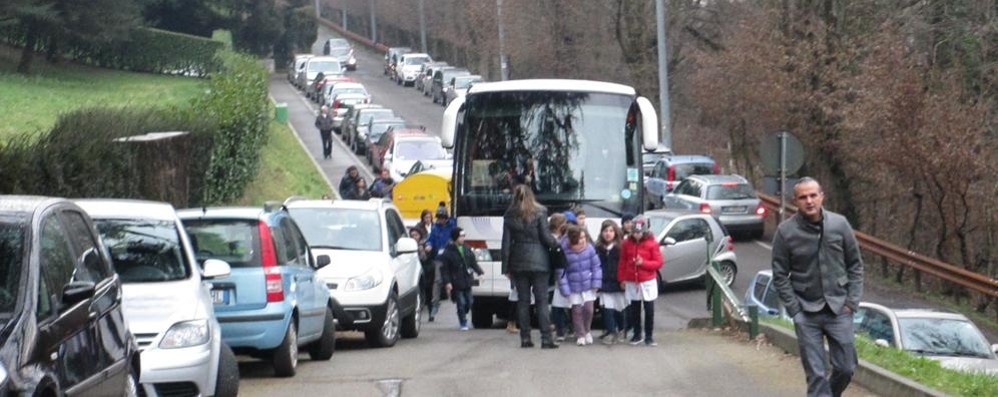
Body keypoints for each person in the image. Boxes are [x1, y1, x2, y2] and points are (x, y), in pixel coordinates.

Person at [771, 177, 863, 397]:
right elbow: (780, 275)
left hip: (839, 309)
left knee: (846, 367)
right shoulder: (785, 232)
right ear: (795, 201)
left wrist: (852, 302)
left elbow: (855, 265)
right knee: (816, 374)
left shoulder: (839, 224)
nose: (809, 201)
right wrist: (795, 310)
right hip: (806, 311)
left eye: (813, 195)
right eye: (803, 197)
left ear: (822, 196)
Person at [501, 185, 560, 349]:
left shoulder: (509, 214)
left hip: (518, 262)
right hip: (540, 261)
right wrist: (557, 244)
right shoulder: (540, 211)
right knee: (541, 301)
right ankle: (546, 338)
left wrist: (505, 268)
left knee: (523, 301)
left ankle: (525, 338)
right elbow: (546, 237)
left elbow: (505, 244)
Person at [618, 216, 663, 347]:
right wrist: (621, 278)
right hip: (632, 280)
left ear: (644, 232)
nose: (636, 235)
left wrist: (643, 263)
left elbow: (658, 263)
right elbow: (623, 261)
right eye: (634, 232)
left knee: (649, 309)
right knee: (634, 309)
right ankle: (637, 334)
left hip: (647, 280)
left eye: (639, 232)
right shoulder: (626, 243)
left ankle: (649, 336)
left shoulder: (653, 243)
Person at [557, 225, 602, 346]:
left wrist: (596, 282)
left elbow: (596, 267)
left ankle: (587, 330)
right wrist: (565, 289)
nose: (583, 240)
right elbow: (561, 272)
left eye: (584, 237)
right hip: (573, 287)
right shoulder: (564, 251)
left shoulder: (590, 249)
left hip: (588, 285)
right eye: (580, 238)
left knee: (589, 310)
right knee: (576, 311)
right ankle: (580, 334)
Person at [440, 228, 485, 331]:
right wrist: (447, 282)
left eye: (463, 236)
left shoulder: (467, 248)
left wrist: (480, 273)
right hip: (456, 281)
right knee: (461, 302)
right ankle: (463, 321)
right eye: (461, 236)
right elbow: (445, 269)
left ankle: (463, 313)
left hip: (467, 280)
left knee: (469, 301)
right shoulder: (448, 252)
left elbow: (473, 263)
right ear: (455, 237)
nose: (463, 238)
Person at [595, 220, 627, 345]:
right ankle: (610, 331)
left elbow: (624, 265)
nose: (608, 234)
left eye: (611, 231)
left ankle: (622, 329)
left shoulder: (620, 248)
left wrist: (623, 280)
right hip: (604, 282)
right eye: (605, 231)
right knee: (607, 308)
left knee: (619, 308)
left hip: (618, 282)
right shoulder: (598, 248)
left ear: (615, 232)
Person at [426, 202, 456, 321]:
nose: (441, 220)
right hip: (439, 259)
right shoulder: (434, 229)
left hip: (451, 257)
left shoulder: (452, 226)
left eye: (443, 218)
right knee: (438, 281)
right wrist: (428, 245)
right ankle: (434, 305)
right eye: (439, 218)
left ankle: (459, 300)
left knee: (456, 280)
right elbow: (430, 240)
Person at [547, 213, 571, 341]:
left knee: (559, 305)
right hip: (556, 275)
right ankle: (560, 329)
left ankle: (562, 328)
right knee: (557, 305)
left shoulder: (563, 238)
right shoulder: (555, 239)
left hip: (558, 276)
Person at [410, 227, 433, 313]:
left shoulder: (425, 243)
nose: (414, 237)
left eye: (416, 235)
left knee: (427, 290)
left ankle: (430, 310)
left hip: (426, 270)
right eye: (412, 235)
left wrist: (424, 250)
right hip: (414, 270)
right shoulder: (410, 245)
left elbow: (425, 258)